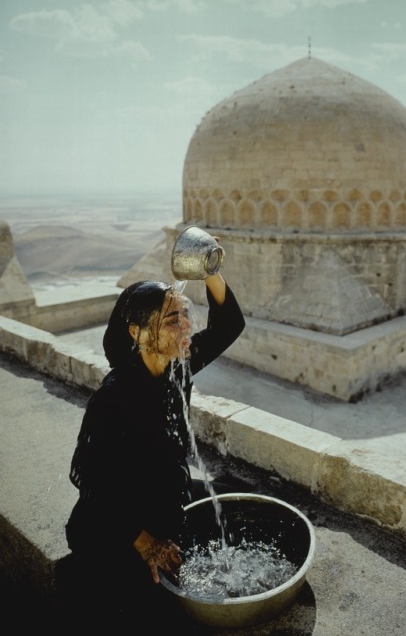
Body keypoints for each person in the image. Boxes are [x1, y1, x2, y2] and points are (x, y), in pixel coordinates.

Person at [55, 259, 245, 621]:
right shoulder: (114, 397)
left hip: (163, 496)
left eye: (184, 314)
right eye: (172, 320)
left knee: (238, 501)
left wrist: (210, 267)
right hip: (114, 524)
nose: (187, 326)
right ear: (137, 332)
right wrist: (146, 543)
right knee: (149, 607)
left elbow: (230, 325)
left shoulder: (178, 364)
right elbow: (88, 478)